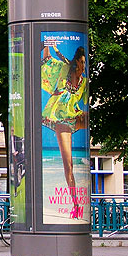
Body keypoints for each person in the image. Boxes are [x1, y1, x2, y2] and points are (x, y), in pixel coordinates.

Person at [41, 44, 88, 220]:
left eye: (85, 62)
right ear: (77, 62)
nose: (84, 66)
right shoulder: (65, 70)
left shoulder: (84, 82)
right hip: (60, 120)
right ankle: (76, 205)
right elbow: (48, 63)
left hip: (74, 115)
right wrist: (48, 47)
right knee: (69, 165)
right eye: (82, 62)